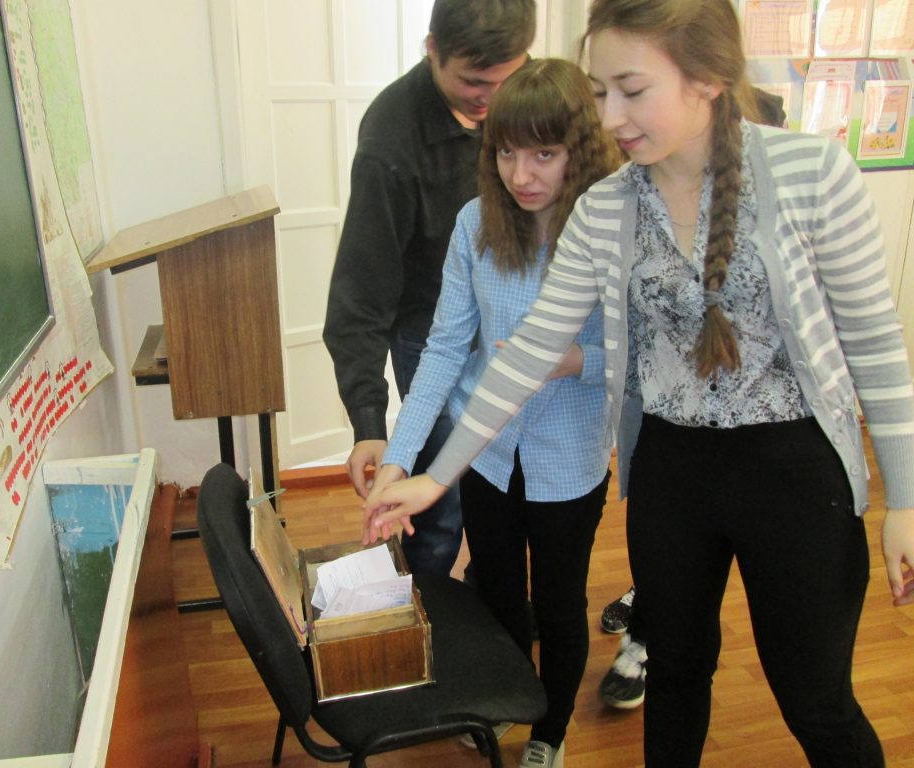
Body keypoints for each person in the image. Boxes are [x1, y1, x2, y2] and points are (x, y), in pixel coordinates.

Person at [364, 1, 914, 765]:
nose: (611, 117)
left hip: (797, 473)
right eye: (601, 92)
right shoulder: (607, 206)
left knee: (815, 700)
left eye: (632, 89)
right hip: (669, 471)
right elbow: (525, 353)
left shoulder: (812, 174)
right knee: (677, 672)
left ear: (708, 79)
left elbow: (876, 348)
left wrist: (905, 502)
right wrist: (433, 476)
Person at [364, 58, 622, 768]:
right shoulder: (475, 224)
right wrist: (398, 460)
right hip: (485, 453)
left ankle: (551, 732)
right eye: (506, 152)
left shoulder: (607, 232)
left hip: (569, 456)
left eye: (544, 154)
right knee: (501, 592)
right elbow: (445, 349)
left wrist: (574, 361)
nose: (521, 174)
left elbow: (638, 356)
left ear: (580, 151)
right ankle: (511, 700)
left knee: (561, 605)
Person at [595, 81, 791, 713]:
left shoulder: (788, 196)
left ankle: (653, 613)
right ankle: (648, 620)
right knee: (677, 625)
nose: (612, 114)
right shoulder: (628, 202)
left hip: (774, 458)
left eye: (629, 89)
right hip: (669, 448)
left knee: (807, 686)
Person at [322, 0, 536, 577]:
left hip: (520, 321)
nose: (491, 99)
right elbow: (360, 293)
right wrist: (369, 425)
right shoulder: (392, 139)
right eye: (473, 82)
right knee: (439, 508)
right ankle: (430, 609)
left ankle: (494, 599)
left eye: (505, 79)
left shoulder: (535, 101)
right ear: (432, 49)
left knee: (508, 486)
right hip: (431, 330)